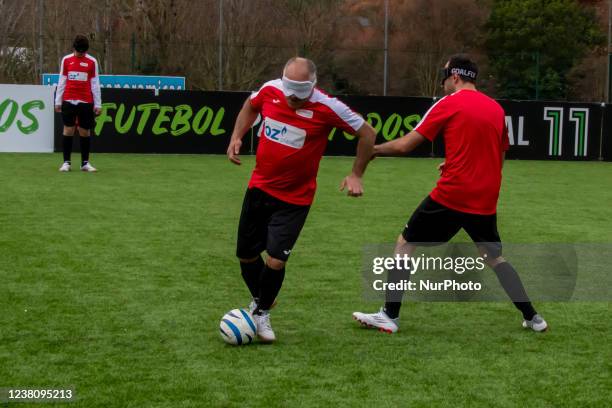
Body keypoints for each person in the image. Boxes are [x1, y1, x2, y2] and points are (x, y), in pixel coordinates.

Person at [352, 54, 547, 334]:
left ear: (455, 76)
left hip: (454, 194)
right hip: (485, 197)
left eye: (445, 74)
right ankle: (533, 317)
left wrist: (374, 150)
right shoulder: (495, 109)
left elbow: (407, 145)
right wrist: (457, 162)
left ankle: (389, 315)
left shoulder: (449, 103)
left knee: (405, 243)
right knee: (493, 258)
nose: (443, 79)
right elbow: (499, 156)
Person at [227, 57, 376, 343]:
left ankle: (260, 313)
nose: (293, 97)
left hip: (295, 199)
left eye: (300, 91)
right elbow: (250, 105)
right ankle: (264, 299)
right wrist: (237, 136)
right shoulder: (270, 90)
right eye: (289, 89)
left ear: (313, 85)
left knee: (275, 260)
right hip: (259, 188)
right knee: (246, 254)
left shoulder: (328, 107)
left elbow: (367, 133)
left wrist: (357, 173)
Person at [55, 34, 101, 172]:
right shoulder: (66, 60)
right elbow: (62, 81)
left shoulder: (92, 62)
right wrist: (58, 100)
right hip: (69, 100)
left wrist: (98, 104)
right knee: (68, 129)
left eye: (83, 51)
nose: (81, 53)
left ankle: (85, 163)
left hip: (86, 101)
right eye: (79, 50)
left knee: (84, 131)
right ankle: (66, 163)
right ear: (74, 48)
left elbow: (95, 83)